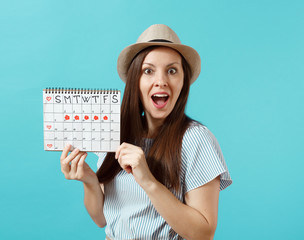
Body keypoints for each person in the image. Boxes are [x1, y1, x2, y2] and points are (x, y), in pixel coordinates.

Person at [60, 24, 232, 240]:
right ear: (135, 80)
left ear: (183, 81)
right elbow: (101, 219)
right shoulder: (114, 134)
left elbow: (203, 233)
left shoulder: (195, 139)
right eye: (148, 70)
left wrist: (148, 180)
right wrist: (89, 181)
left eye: (172, 70)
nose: (161, 81)